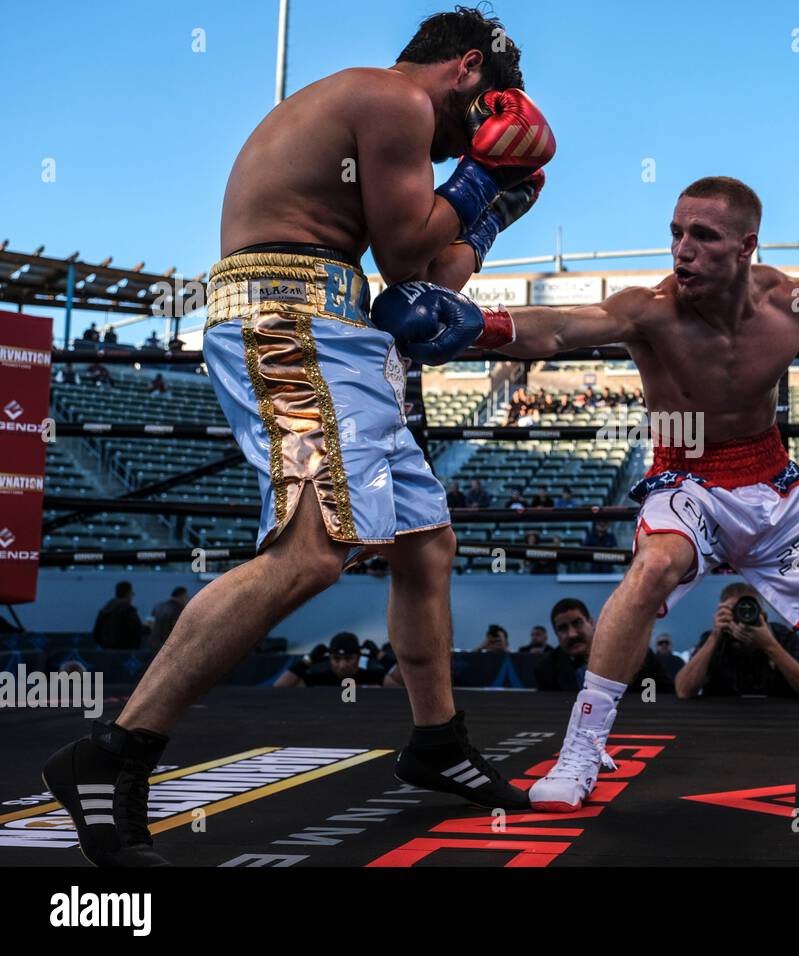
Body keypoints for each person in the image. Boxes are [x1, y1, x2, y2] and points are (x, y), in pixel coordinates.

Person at [43, 6, 554, 867]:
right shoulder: (394, 100)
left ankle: (437, 742)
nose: (490, 125)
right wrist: (477, 178)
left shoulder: (389, 120)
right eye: (493, 106)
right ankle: (112, 753)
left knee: (426, 543)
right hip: (289, 323)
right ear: (468, 70)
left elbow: (436, 274)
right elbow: (405, 259)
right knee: (313, 551)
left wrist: (490, 209)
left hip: (336, 331)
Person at [402, 175, 799, 810]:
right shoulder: (652, 309)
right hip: (685, 475)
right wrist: (480, 324)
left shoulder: (794, 303)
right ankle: (580, 748)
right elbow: (560, 329)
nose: (682, 250)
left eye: (703, 236)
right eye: (676, 233)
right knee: (655, 565)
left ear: (747, 247)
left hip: (774, 483)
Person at [675, 584, 799, 700]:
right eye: (735, 612)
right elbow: (683, 691)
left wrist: (770, 646)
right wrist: (715, 636)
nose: (743, 616)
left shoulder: (783, 637)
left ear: (763, 615)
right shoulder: (714, 639)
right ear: (721, 613)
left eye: (750, 611)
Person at [534, 598, 673, 695]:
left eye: (577, 623)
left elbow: (657, 696)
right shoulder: (546, 669)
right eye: (563, 629)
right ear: (556, 635)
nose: (572, 634)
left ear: (591, 623)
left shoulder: (634, 653)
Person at [275, 631, 395, 687]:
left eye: (348, 659)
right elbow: (280, 688)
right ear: (330, 659)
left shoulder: (375, 678)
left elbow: (403, 685)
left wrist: (381, 656)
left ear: (358, 657)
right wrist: (307, 661)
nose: (342, 665)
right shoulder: (317, 679)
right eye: (336, 659)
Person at [91, 581, 147, 650]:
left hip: (106, 650)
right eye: (132, 593)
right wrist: (148, 628)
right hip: (125, 652)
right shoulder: (128, 610)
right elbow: (137, 629)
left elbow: (96, 633)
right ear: (128, 594)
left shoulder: (106, 609)